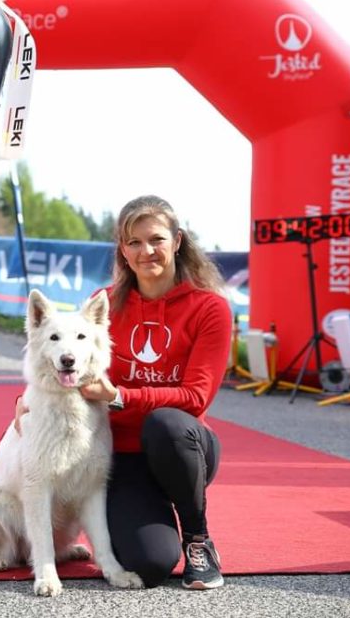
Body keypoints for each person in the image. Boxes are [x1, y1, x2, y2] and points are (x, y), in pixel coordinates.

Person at [16, 194, 231, 590]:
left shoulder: (210, 308)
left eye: (156, 239)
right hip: (120, 455)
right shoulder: (106, 304)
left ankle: (198, 539)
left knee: (165, 423)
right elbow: (61, 355)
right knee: (149, 564)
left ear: (177, 241)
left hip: (183, 449)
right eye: (133, 242)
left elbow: (197, 397)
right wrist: (25, 400)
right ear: (123, 250)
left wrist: (118, 396)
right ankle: (150, 523)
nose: (146, 251)